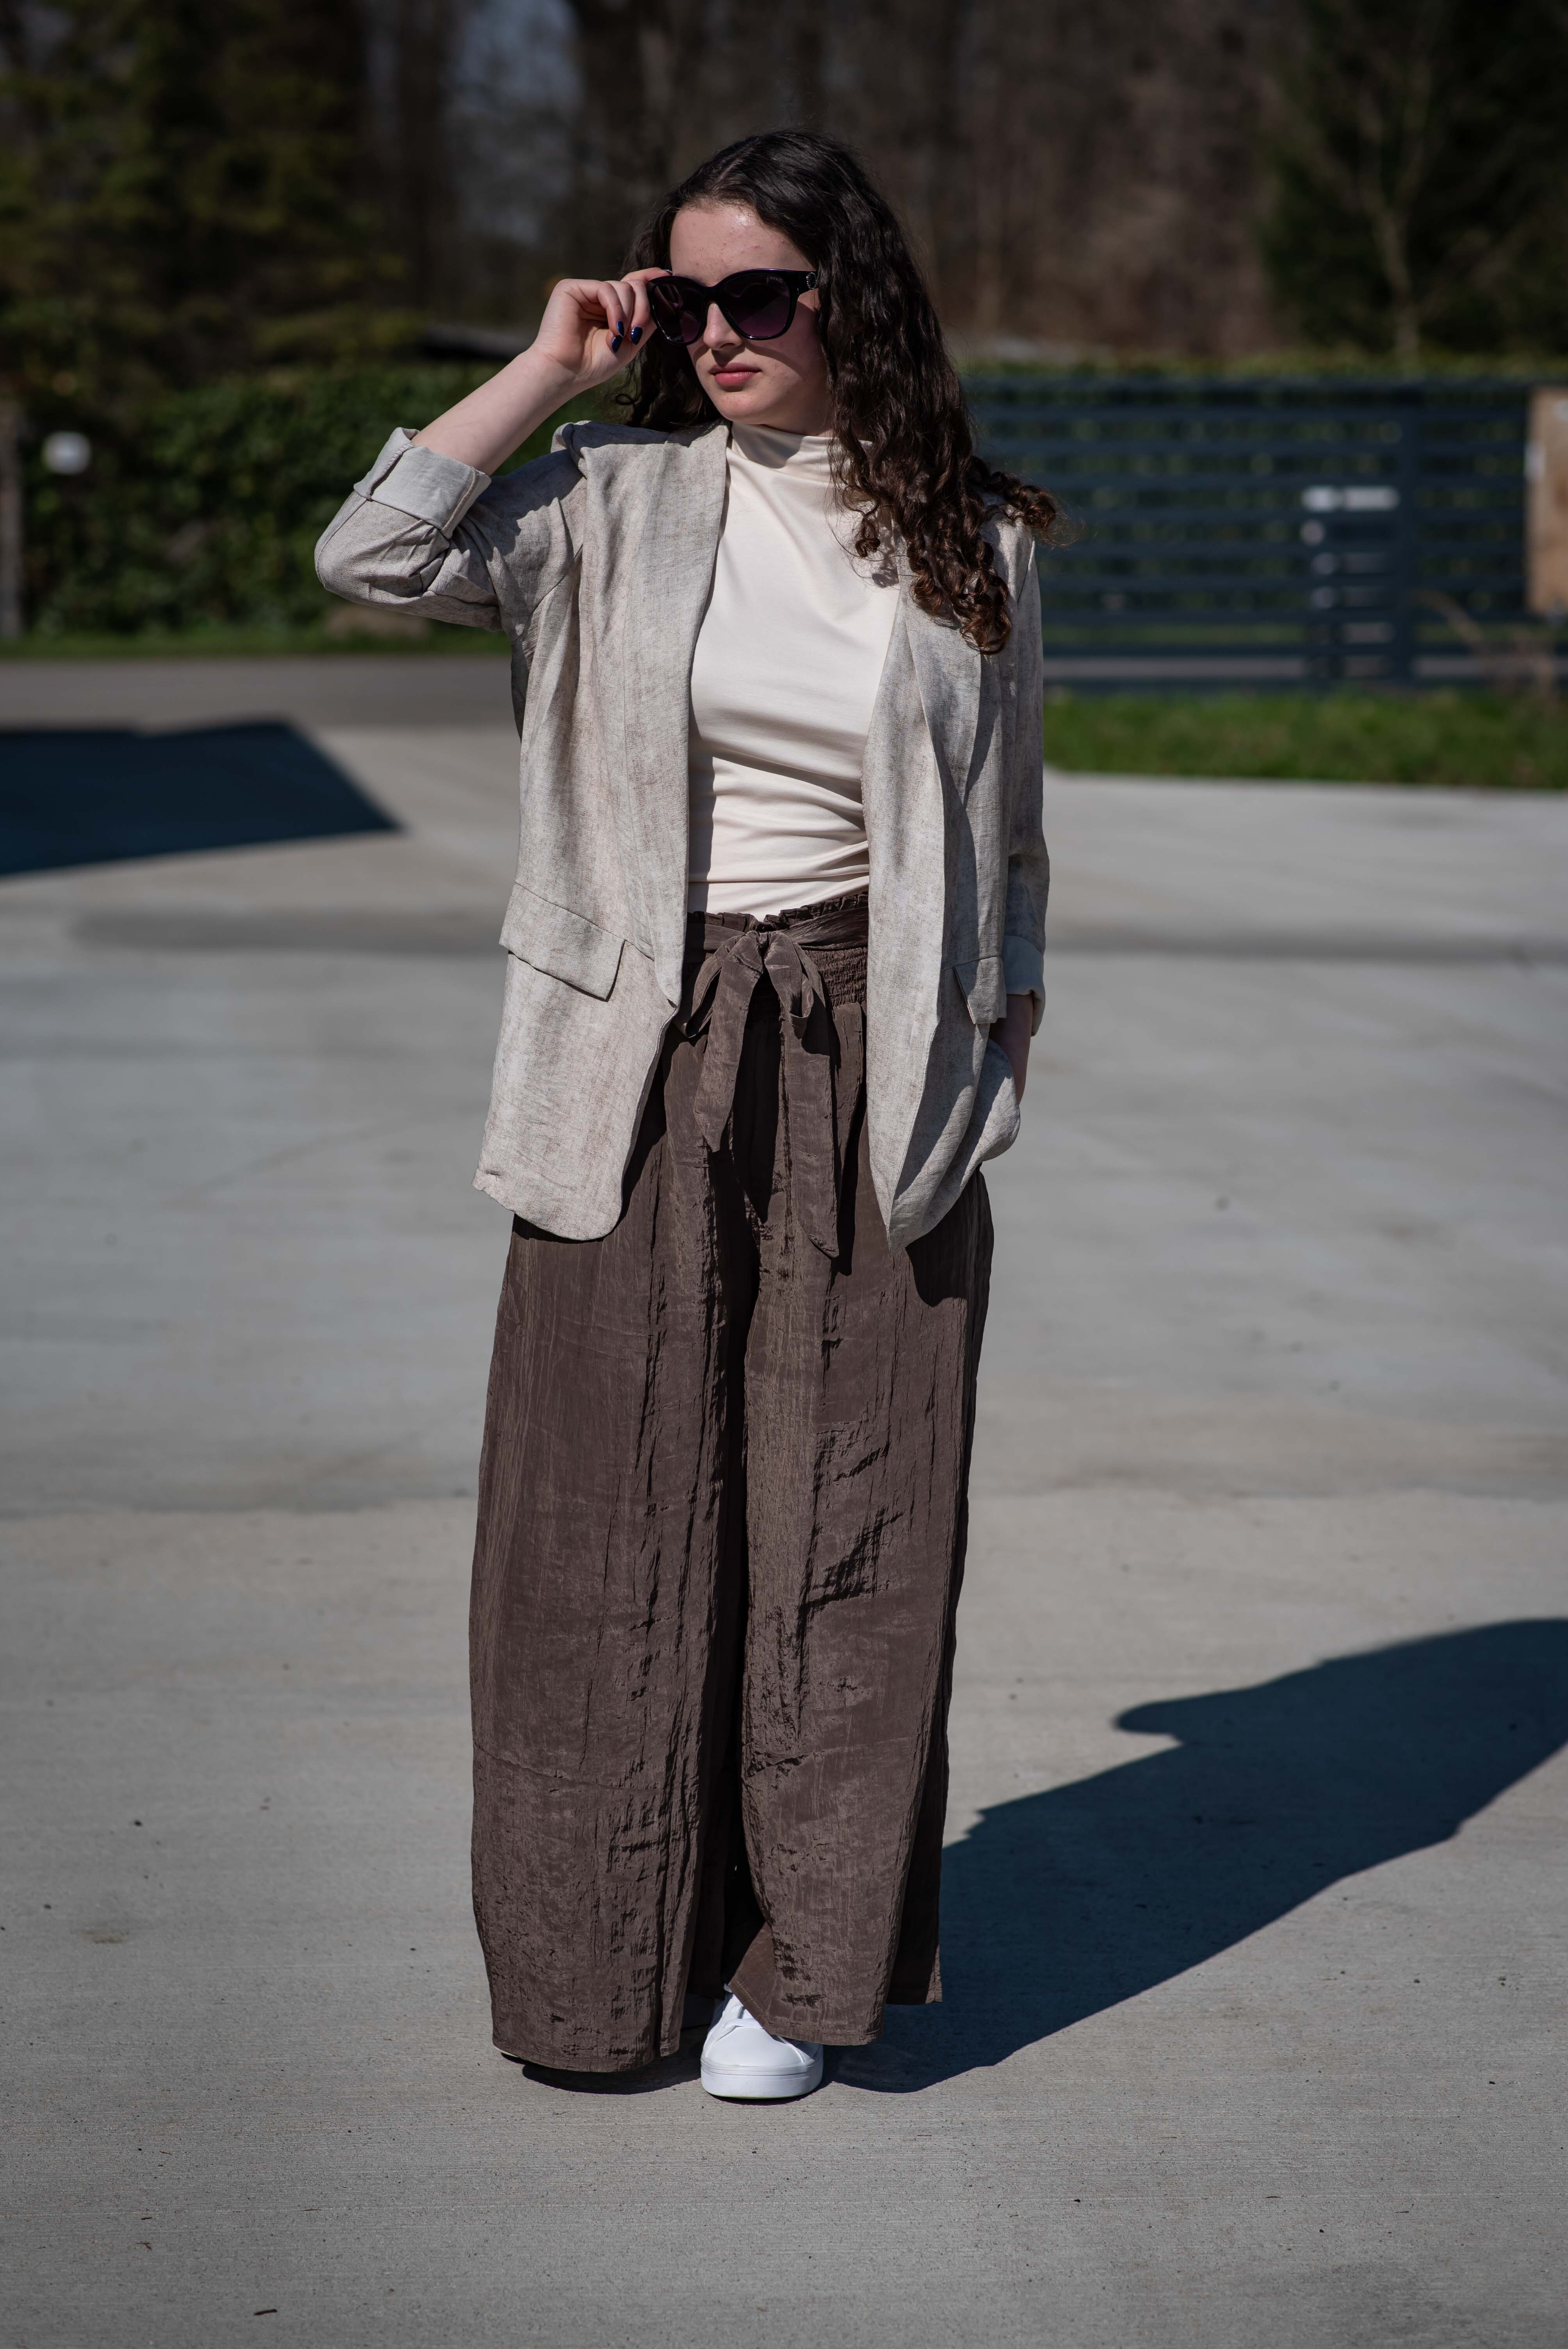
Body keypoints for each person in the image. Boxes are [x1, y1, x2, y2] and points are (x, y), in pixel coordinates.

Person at [316, 127, 1062, 2103]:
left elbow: (1007, 827)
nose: (716, 332)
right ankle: (599, 1967)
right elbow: (369, 555)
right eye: (686, 296)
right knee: (604, 1513)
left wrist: (1001, 1032)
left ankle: (798, 1973)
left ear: (846, 301)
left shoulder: (971, 539)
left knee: (852, 1516)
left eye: (758, 294)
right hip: (637, 1046)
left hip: (874, 1045)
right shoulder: (607, 500)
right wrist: (552, 360)